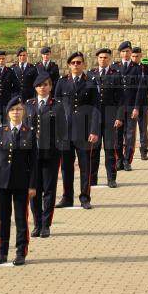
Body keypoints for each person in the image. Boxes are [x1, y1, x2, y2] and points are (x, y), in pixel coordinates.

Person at [0, 97, 37, 266]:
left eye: (19, 109)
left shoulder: (29, 132)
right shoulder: (1, 131)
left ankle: (21, 252)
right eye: (13, 110)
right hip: (2, 182)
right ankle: (2, 251)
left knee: (21, 219)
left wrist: (32, 185)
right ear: (8, 113)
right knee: (3, 219)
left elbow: (34, 162)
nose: (16, 112)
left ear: (24, 112)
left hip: (21, 182)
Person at [54, 51, 100, 210]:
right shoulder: (62, 82)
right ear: (68, 65)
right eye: (73, 62)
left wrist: (94, 130)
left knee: (85, 166)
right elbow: (56, 107)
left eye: (79, 62)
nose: (76, 65)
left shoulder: (90, 82)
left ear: (84, 64)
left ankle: (85, 197)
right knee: (66, 167)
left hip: (84, 132)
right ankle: (67, 197)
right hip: (65, 133)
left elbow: (96, 108)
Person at [25, 72, 67, 238]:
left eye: (46, 84)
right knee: (34, 190)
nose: (43, 87)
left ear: (50, 87)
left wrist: (59, 150)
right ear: (35, 87)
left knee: (49, 190)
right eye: (40, 85)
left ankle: (46, 224)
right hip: (32, 155)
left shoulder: (56, 105)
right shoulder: (28, 104)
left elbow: (63, 130)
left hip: (50, 153)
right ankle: (36, 223)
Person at [87, 48, 122, 188]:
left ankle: (111, 178)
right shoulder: (90, 74)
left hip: (110, 117)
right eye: (101, 57)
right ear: (97, 59)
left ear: (110, 59)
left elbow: (121, 98)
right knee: (94, 150)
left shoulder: (116, 74)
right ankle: (92, 178)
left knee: (109, 149)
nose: (103, 60)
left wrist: (119, 117)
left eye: (106, 58)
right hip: (94, 118)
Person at [111, 41, 143, 171]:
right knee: (117, 135)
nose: (125, 54)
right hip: (118, 108)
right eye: (123, 52)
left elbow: (140, 89)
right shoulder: (115, 68)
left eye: (127, 51)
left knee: (130, 135)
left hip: (131, 106)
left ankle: (127, 160)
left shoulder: (137, 68)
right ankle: (118, 159)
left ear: (131, 53)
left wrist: (136, 107)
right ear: (120, 53)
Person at [0, 51, 20, 136]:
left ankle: (6, 146)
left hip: (6, 104)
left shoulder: (10, 71)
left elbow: (17, 86)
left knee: (7, 127)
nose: (1, 60)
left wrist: (11, 98)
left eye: (3, 59)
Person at [131, 47, 148, 160]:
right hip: (131, 103)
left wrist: (144, 97)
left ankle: (144, 151)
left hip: (143, 103)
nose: (135, 58)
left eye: (137, 56)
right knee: (130, 129)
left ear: (141, 56)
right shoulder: (128, 68)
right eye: (133, 56)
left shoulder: (146, 68)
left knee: (143, 129)